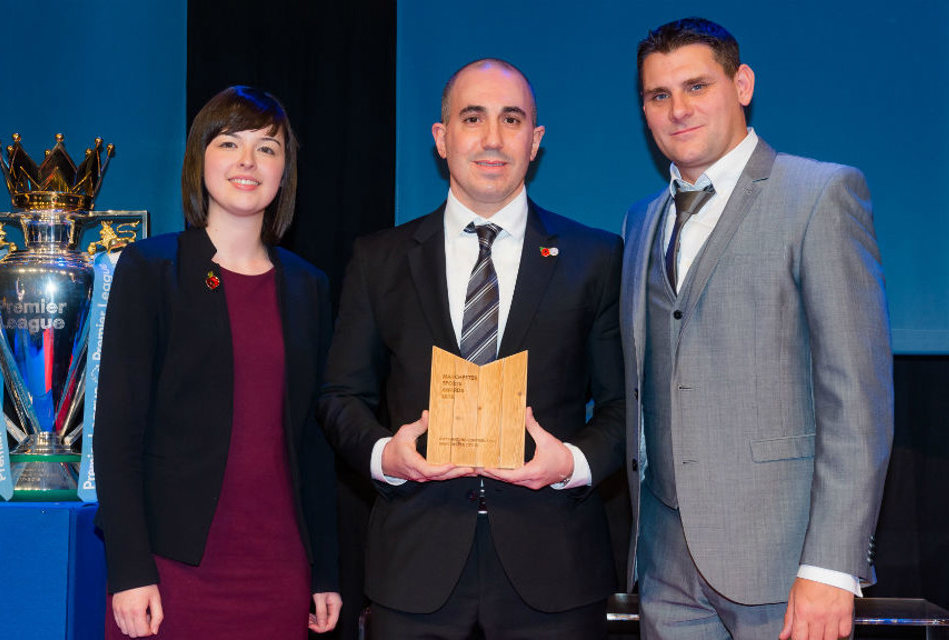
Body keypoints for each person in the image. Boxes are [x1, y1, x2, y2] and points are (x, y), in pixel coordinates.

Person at [319, 59, 625, 639]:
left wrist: (573, 464)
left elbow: (623, 406)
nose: (491, 139)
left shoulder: (596, 259)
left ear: (534, 142)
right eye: (472, 118)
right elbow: (340, 395)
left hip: (554, 571)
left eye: (511, 120)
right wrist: (386, 454)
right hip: (414, 570)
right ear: (442, 138)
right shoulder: (379, 259)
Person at [620, 18, 893, 640]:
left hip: (785, 566)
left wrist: (832, 565)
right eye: (659, 96)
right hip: (664, 564)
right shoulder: (641, 221)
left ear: (741, 84)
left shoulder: (820, 194)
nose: (678, 109)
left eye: (697, 86)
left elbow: (858, 400)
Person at [94, 86, 341, 639]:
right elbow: (116, 435)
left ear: (285, 171)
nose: (248, 161)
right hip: (168, 573)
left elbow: (314, 444)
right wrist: (129, 570)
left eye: (268, 148)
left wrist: (326, 569)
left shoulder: (309, 287)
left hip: (280, 571)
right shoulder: (151, 268)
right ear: (199, 158)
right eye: (230, 142)